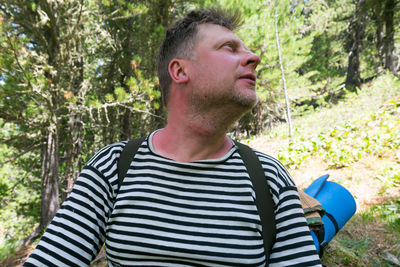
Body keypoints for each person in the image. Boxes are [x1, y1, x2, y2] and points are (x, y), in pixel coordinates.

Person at [24, 7, 321, 267]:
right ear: (180, 70)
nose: (254, 57)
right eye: (230, 48)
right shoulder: (113, 166)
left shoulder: (268, 177)